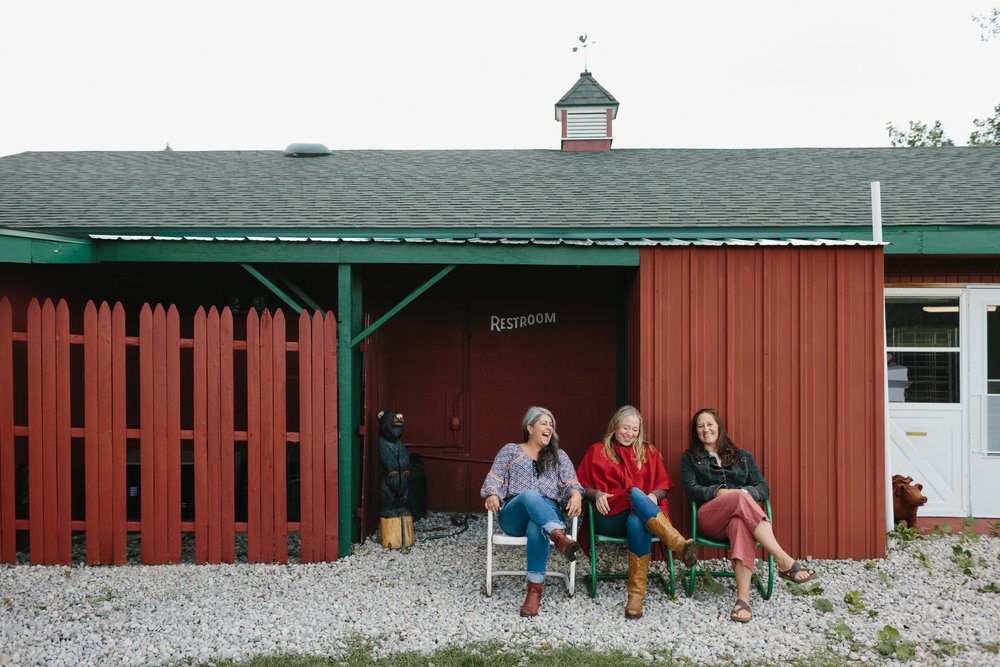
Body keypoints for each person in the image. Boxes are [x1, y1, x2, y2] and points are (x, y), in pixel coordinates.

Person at [681, 408, 817, 623]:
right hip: (710, 517)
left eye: (709, 424)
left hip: (741, 517)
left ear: (719, 426)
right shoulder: (690, 458)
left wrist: (744, 494)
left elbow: (763, 489)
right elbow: (691, 489)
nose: (705, 429)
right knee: (740, 498)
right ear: (695, 431)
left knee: (739, 524)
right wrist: (720, 492)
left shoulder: (742, 456)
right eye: (700, 426)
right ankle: (783, 559)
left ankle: (743, 600)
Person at [576, 405, 696, 619]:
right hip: (608, 516)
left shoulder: (648, 451)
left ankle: (635, 596)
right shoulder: (597, 451)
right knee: (633, 492)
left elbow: (663, 486)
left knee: (637, 520)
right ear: (614, 427)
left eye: (635, 430)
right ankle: (677, 542)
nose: (630, 433)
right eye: (625, 428)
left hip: (639, 516)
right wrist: (596, 495)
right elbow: (579, 485)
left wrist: (653, 497)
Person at [481, 406, 584, 617]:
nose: (549, 427)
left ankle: (534, 592)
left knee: (537, 524)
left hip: (546, 513)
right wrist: (491, 494)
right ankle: (559, 537)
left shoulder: (558, 456)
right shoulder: (510, 451)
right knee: (529, 495)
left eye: (551, 424)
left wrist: (576, 494)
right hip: (514, 514)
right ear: (530, 428)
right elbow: (493, 479)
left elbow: (571, 484)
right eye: (544, 423)